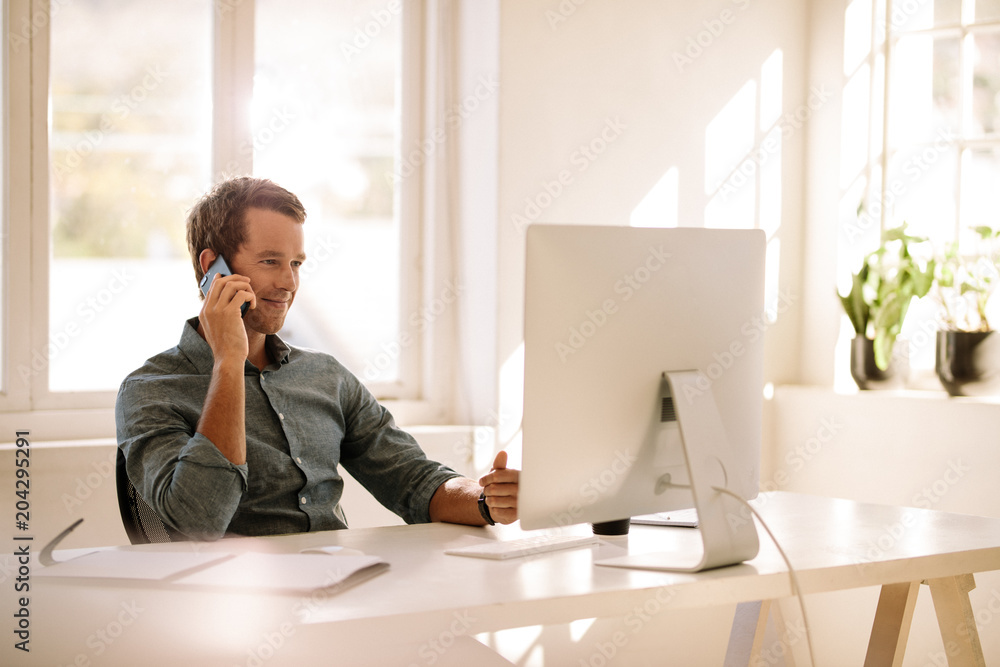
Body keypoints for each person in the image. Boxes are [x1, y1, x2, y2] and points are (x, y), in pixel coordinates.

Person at [115, 176, 518, 540]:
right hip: (230, 607)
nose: (289, 282)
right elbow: (199, 522)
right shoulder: (150, 391)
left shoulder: (325, 376)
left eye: (296, 264)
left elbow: (412, 480)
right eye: (270, 261)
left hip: (339, 589)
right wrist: (229, 363)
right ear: (213, 268)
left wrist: (484, 501)